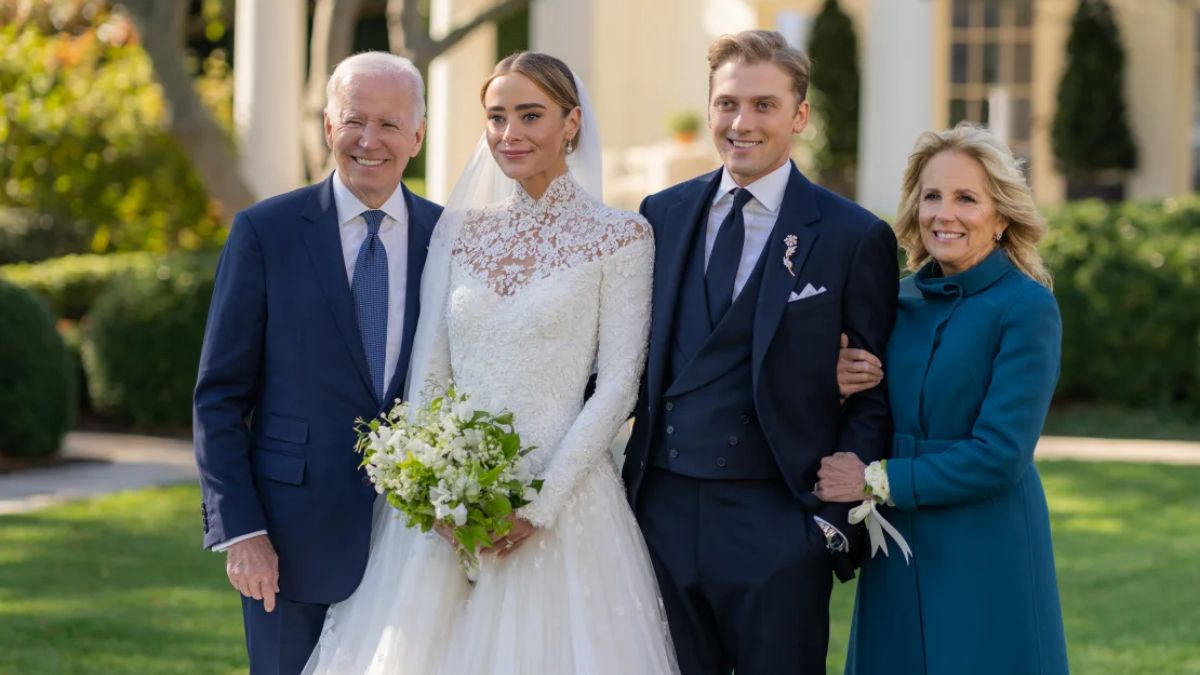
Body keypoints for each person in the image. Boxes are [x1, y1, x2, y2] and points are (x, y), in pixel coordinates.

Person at [301, 52, 680, 674]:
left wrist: (538, 504)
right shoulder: (458, 231)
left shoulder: (622, 237)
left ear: (571, 122)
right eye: (497, 116)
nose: (510, 134)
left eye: (530, 115)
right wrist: (434, 497)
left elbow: (617, 386)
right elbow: (428, 373)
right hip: (446, 516)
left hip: (564, 509)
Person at [621, 30, 899, 675]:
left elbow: (876, 397)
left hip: (777, 517)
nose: (741, 123)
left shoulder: (854, 236)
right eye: (727, 103)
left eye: (764, 105)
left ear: (799, 115)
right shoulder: (659, 214)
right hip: (658, 512)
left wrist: (827, 525)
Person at [193, 52, 441, 673]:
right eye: (354, 120)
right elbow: (220, 397)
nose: (369, 140)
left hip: (420, 547)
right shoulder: (265, 232)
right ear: (329, 128)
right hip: (288, 540)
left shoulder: (453, 239)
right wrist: (242, 532)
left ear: (418, 133)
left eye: (389, 124)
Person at [820, 123, 1070, 675]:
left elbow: (1000, 453)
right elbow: (871, 408)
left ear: (1001, 215)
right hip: (896, 545)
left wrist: (875, 480)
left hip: (985, 543)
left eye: (966, 199)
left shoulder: (1027, 308)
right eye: (932, 196)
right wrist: (837, 384)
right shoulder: (895, 300)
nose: (944, 214)